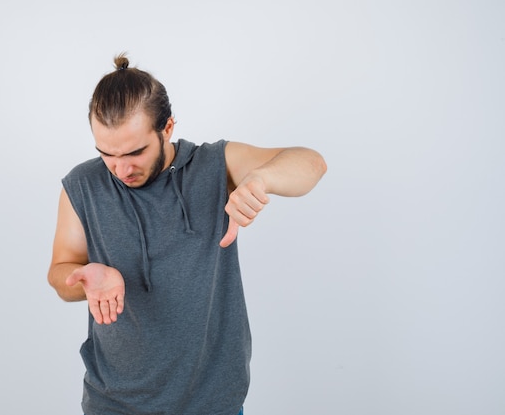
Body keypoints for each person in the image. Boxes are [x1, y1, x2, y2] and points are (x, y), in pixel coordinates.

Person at [47, 54, 327, 415]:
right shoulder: (82, 185)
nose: (121, 168)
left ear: (167, 129)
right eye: (107, 154)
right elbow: (60, 274)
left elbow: (311, 163)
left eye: (135, 152)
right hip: (113, 404)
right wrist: (86, 279)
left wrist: (261, 179)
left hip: (212, 403)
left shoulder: (213, 165)